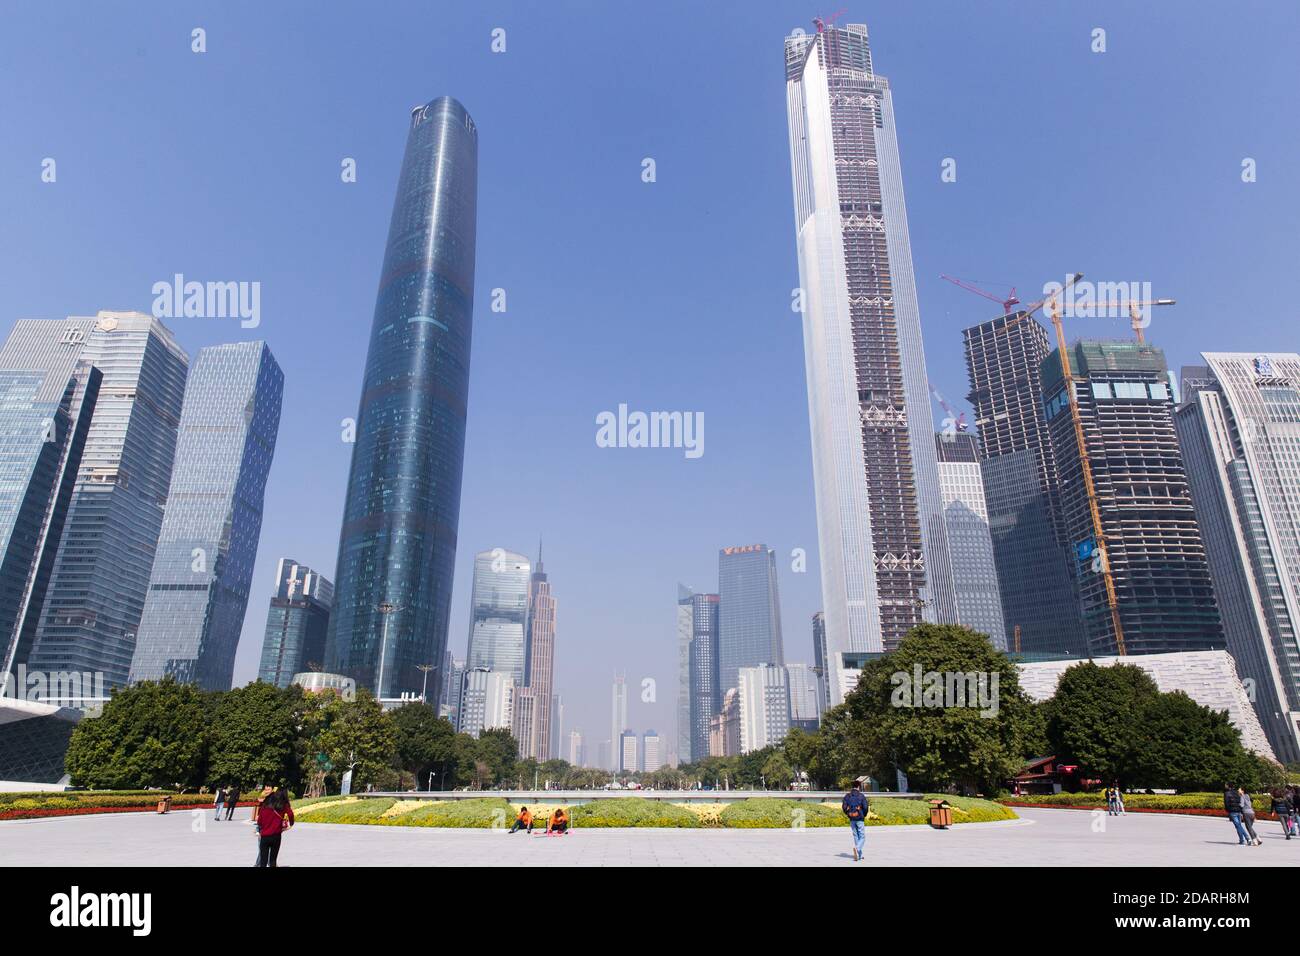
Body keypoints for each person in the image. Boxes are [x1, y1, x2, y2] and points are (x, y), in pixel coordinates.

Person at [254, 789, 294, 868]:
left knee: (263, 861)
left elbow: (259, 822)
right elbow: (290, 814)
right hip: (276, 836)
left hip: (264, 836)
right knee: (273, 860)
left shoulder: (264, 807)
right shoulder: (282, 806)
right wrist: (291, 823)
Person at [842, 780, 870, 861]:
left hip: (852, 818)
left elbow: (844, 807)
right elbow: (865, 807)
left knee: (855, 835)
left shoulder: (847, 796)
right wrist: (863, 815)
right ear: (858, 786)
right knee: (862, 836)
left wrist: (848, 813)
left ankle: (859, 855)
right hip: (859, 818)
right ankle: (857, 848)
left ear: (852, 786)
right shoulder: (861, 796)